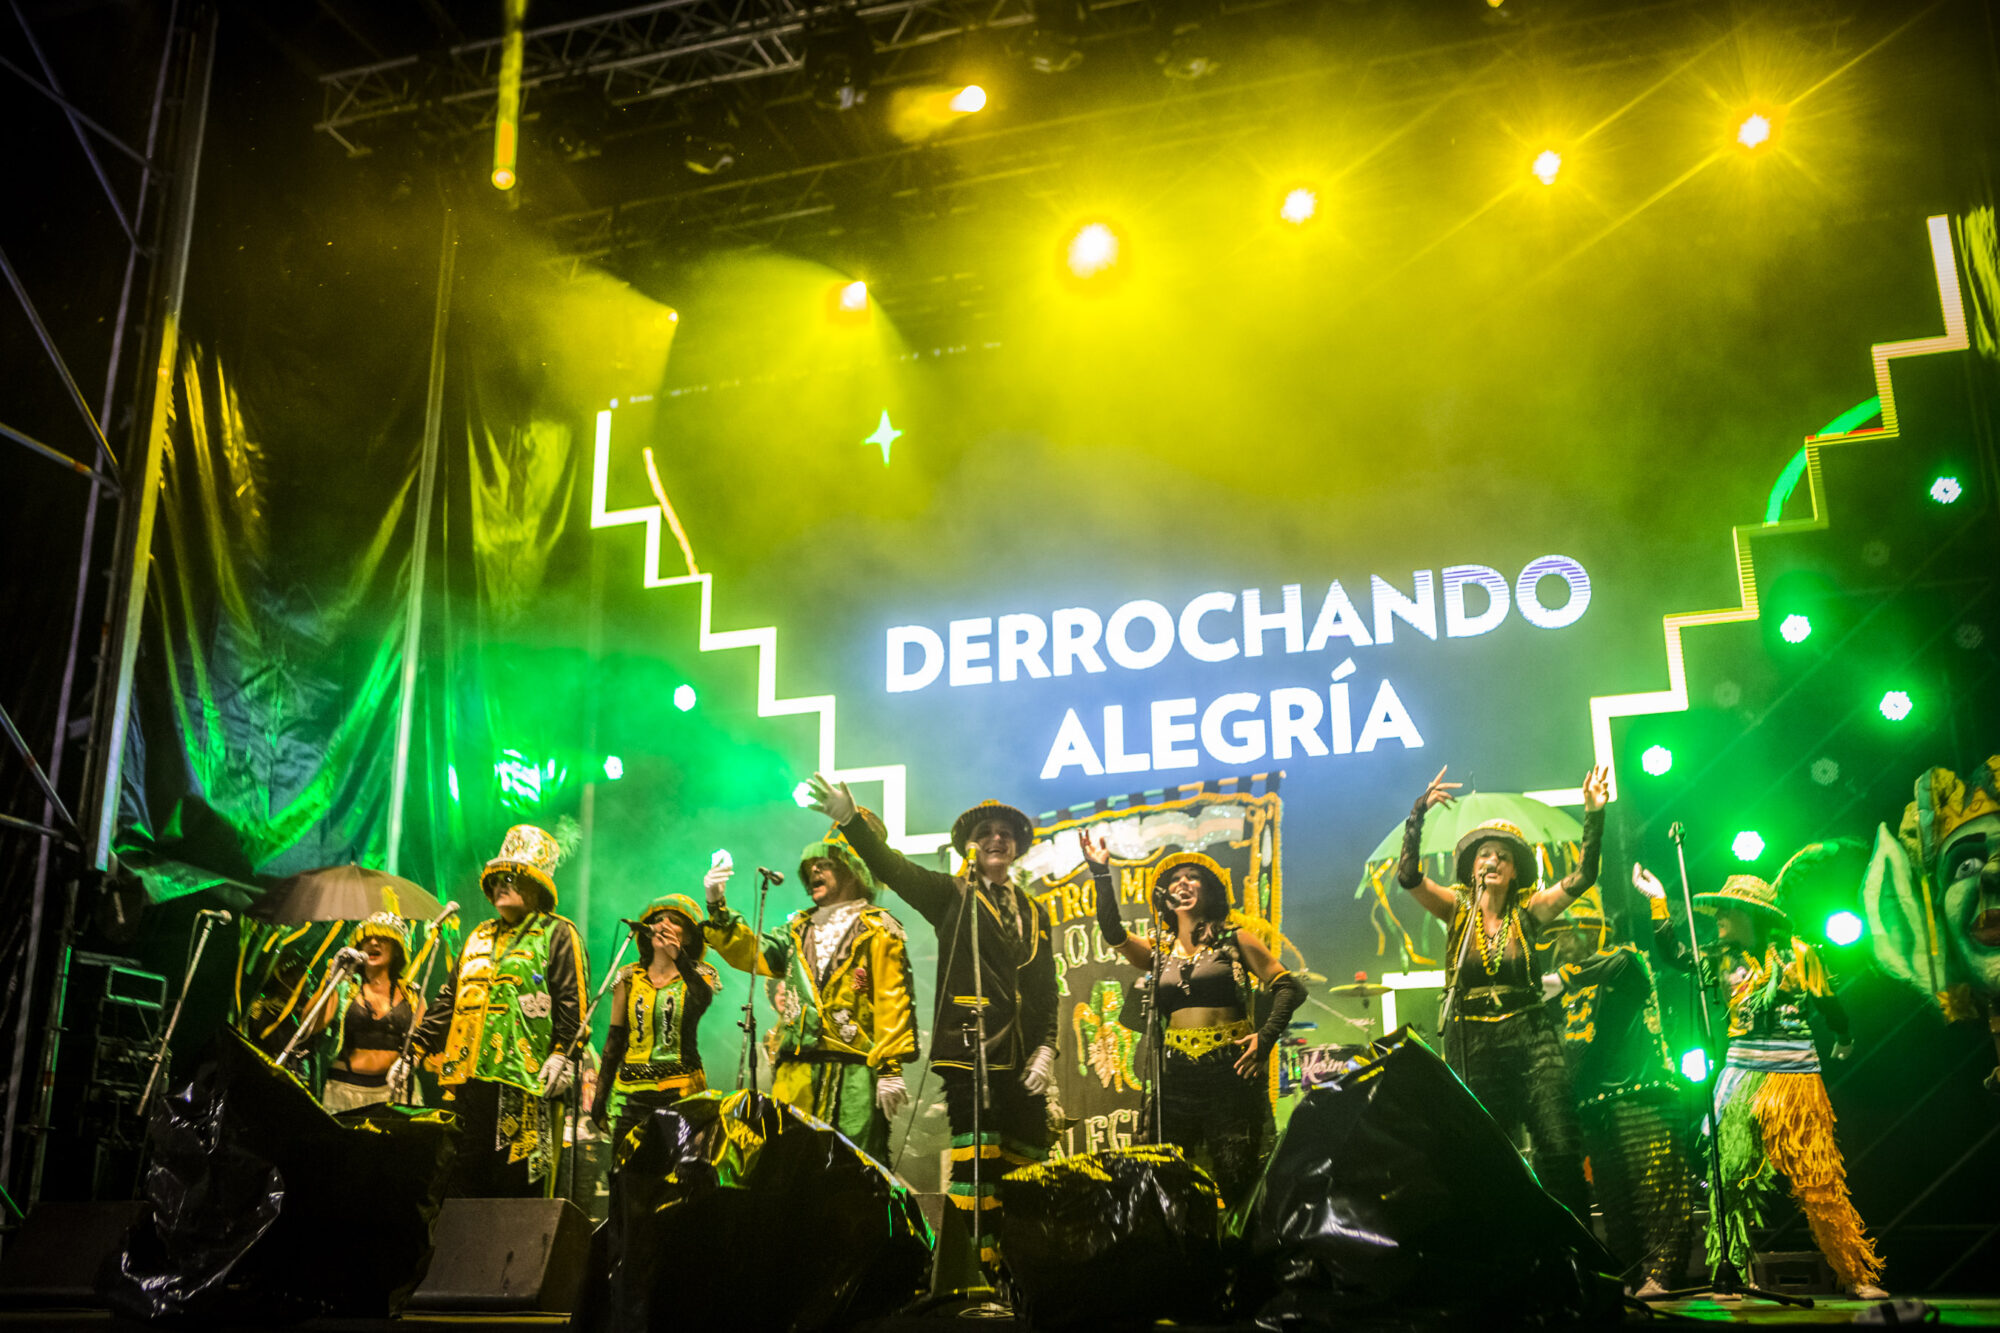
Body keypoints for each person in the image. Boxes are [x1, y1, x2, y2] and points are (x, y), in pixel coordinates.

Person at [804, 773, 1057, 1273]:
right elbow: (890, 867)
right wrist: (850, 821)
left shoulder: (1034, 910)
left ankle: (1021, 1270)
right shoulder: (949, 895)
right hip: (971, 1051)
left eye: (1006, 833)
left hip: (1024, 1057)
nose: (996, 839)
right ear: (968, 846)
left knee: (1029, 1164)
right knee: (976, 1167)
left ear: (1018, 847)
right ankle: (972, 1275)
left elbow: (1047, 988)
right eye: (986, 832)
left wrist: (1047, 1048)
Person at [1637, 865, 1888, 1300]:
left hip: (1796, 1080)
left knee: (1819, 1179)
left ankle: (1857, 1273)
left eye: (1726, 910)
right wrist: (1658, 901)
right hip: (1742, 1076)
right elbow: (1674, 954)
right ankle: (1732, 1272)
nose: (1718, 917)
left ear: (1750, 914)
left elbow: (1829, 1001)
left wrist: (1844, 1037)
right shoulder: (1720, 957)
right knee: (1729, 1177)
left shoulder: (1798, 953)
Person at [1394, 764, 1609, 1222]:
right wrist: (1418, 815)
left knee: (1559, 1147)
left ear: (1514, 872)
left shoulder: (1530, 910)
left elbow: (1584, 876)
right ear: (1472, 868)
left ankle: (1578, 1263)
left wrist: (1594, 813)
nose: (1491, 861)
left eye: (1502, 857)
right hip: (1472, 1039)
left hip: (1533, 1038)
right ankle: (1504, 1261)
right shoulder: (1456, 909)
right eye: (1484, 855)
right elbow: (1408, 877)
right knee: (1486, 1154)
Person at [1084, 838, 1303, 1211]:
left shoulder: (1234, 939)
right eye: (1175, 880)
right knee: (1169, 1179)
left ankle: (1239, 1262)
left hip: (1228, 1070)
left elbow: (1289, 987)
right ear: (1164, 896)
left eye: (1193, 877)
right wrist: (1101, 873)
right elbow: (1114, 934)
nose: (1182, 883)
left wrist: (1265, 1038)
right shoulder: (1160, 951)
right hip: (1175, 1073)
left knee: (1237, 1177)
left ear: (1211, 890)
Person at [703, 819, 918, 1161]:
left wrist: (891, 1068)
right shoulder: (796, 929)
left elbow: (894, 998)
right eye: (811, 867)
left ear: (853, 871)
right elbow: (751, 953)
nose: (814, 872)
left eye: (826, 865)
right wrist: (717, 904)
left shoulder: (880, 928)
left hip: (854, 1072)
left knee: (853, 1170)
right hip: (796, 1071)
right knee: (791, 1166)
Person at [402, 824, 590, 1198]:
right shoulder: (478, 936)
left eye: (513, 877)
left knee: (517, 1183)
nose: (502, 884)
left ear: (535, 887)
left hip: (527, 1082)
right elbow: (448, 1000)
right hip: (471, 1081)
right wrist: (414, 1050)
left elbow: (572, 1001)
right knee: (465, 1174)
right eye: (498, 877)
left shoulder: (558, 933)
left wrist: (563, 1054)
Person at [1544, 885, 1690, 1298]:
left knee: (1656, 1191)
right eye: (1555, 936)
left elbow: (1617, 965)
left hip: (1641, 1095)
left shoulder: (1627, 960)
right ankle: (1629, 1273)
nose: (1561, 943)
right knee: (1615, 1201)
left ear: (1594, 931)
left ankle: (1662, 1274)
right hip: (1594, 1105)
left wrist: (1563, 978)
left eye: (1568, 933)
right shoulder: (1569, 992)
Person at [589, 895, 721, 1165]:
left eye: (675, 921)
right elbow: (614, 1040)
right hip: (631, 1096)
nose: (663, 924)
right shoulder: (628, 976)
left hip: (681, 1094)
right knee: (624, 1174)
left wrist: (679, 958)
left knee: (675, 1180)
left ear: (689, 937)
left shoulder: (699, 974)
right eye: (658, 920)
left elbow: (702, 1000)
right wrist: (600, 1098)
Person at [305, 912, 423, 1113]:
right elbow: (310, 1026)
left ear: (396, 949)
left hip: (397, 1092)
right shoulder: (343, 986)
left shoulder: (410, 993)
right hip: (345, 1090)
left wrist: (412, 1061)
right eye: (366, 939)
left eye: (383, 938)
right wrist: (330, 982)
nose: (374, 942)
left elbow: (425, 1039)